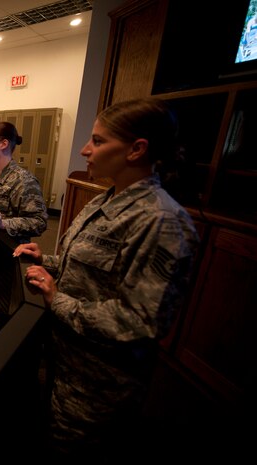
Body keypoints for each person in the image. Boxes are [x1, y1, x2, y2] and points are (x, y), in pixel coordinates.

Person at [13, 98, 200, 463]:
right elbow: (89, 267)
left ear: (136, 149)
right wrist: (46, 260)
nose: (85, 149)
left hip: (96, 385)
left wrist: (57, 298)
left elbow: (141, 321)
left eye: (98, 141)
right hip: (62, 359)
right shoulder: (106, 199)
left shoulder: (162, 221)